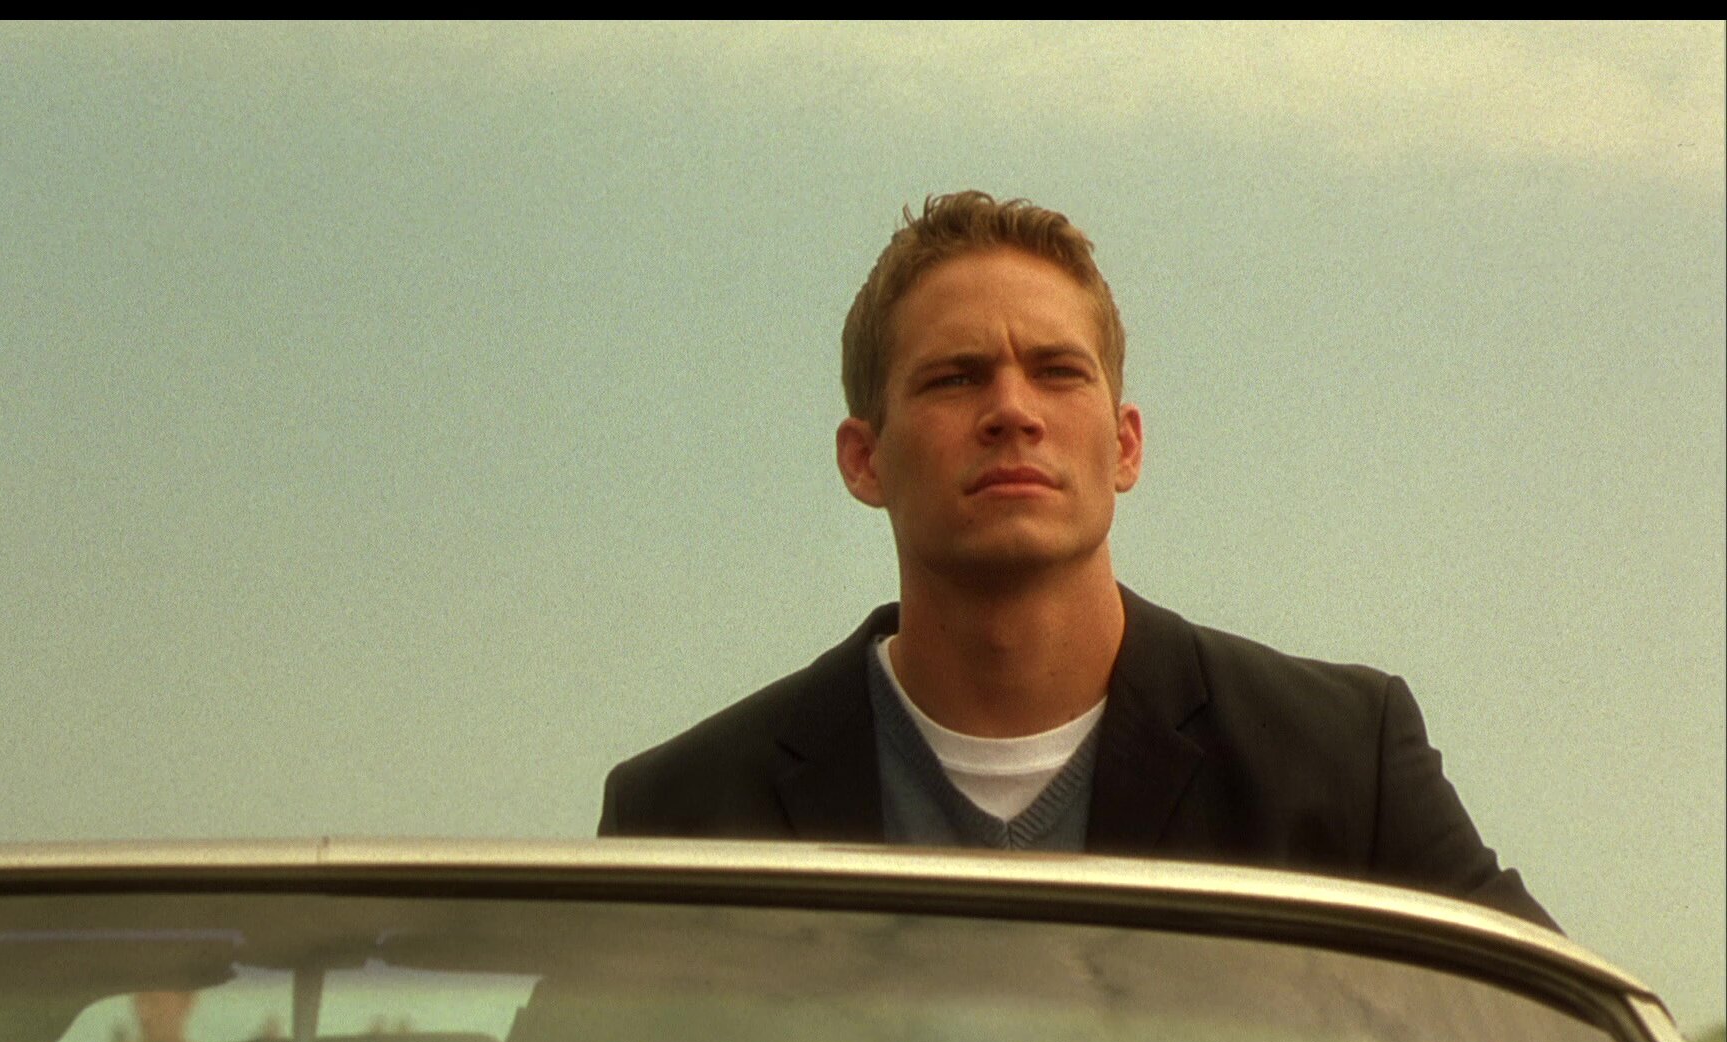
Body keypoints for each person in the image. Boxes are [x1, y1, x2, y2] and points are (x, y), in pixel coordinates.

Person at [598, 191, 1554, 929]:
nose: (1013, 410)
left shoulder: (1341, 765)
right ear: (864, 460)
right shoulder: (683, 818)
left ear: (1125, 444)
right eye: (955, 378)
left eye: (1058, 372)